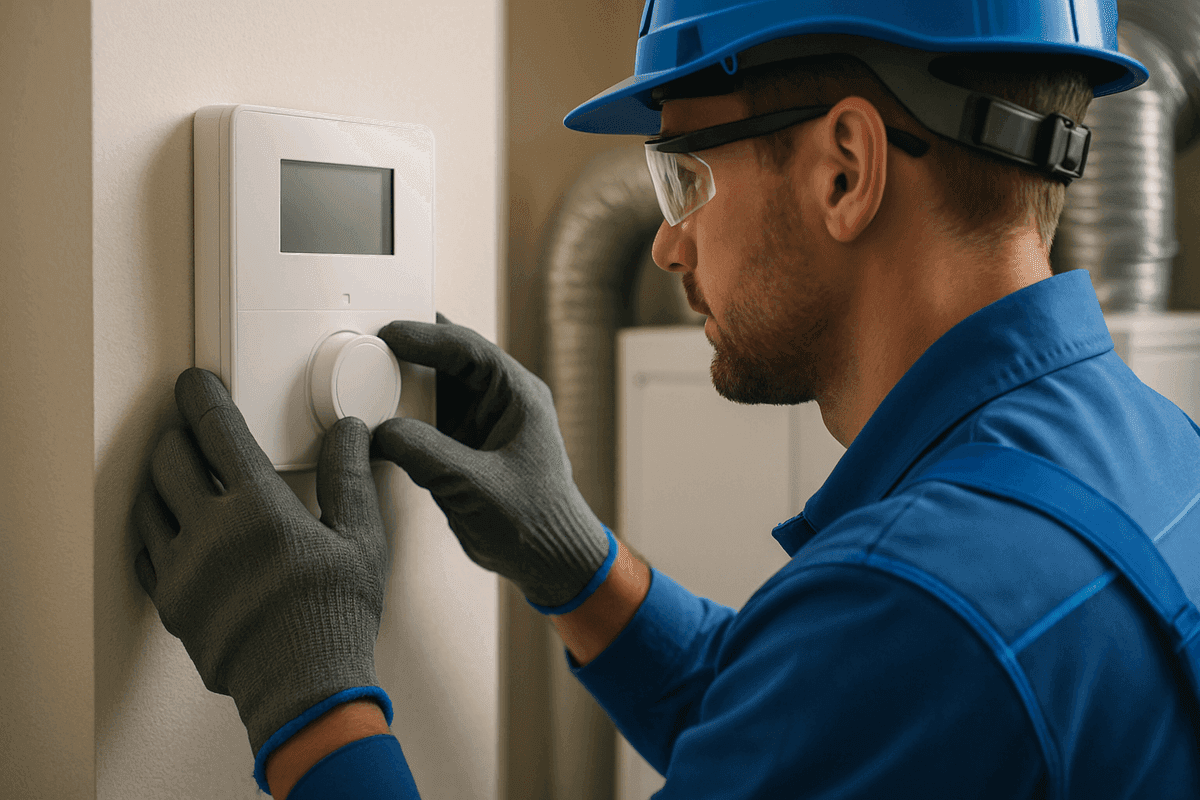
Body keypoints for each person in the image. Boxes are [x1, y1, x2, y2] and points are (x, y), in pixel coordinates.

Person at [134, 1, 1200, 798]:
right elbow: (803, 729)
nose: (668, 241)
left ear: (845, 171)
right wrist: (579, 565)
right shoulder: (1161, 454)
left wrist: (312, 699)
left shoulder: (918, 605)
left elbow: (869, 678)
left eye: (686, 174)